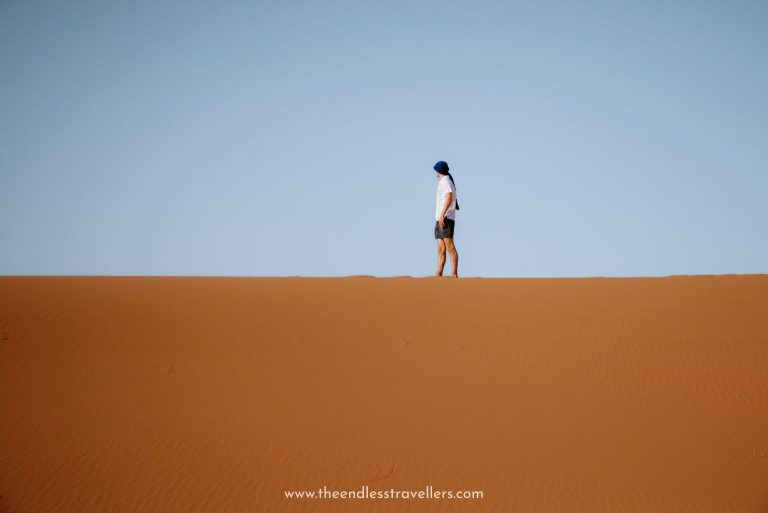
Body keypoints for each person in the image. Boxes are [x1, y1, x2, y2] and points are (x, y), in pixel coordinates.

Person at [433, 161, 459, 278]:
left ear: (438, 171)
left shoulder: (445, 181)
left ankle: (454, 273)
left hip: (446, 218)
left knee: (449, 246)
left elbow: (449, 197)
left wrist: (443, 215)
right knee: (440, 248)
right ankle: (439, 274)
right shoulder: (444, 181)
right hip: (440, 218)